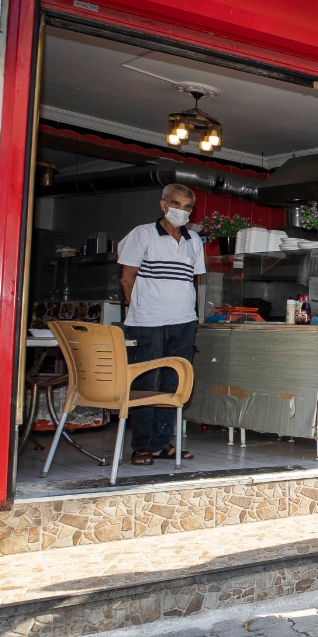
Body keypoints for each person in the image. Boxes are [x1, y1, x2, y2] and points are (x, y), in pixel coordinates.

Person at [118, 183, 205, 466]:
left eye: (188, 206)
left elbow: (194, 281)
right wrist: (137, 308)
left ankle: (161, 444)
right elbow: (126, 278)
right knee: (145, 381)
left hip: (183, 322)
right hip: (147, 321)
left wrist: (194, 315)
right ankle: (141, 445)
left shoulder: (194, 241)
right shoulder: (142, 234)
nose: (182, 211)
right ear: (163, 204)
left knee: (174, 382)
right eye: (177, 204)